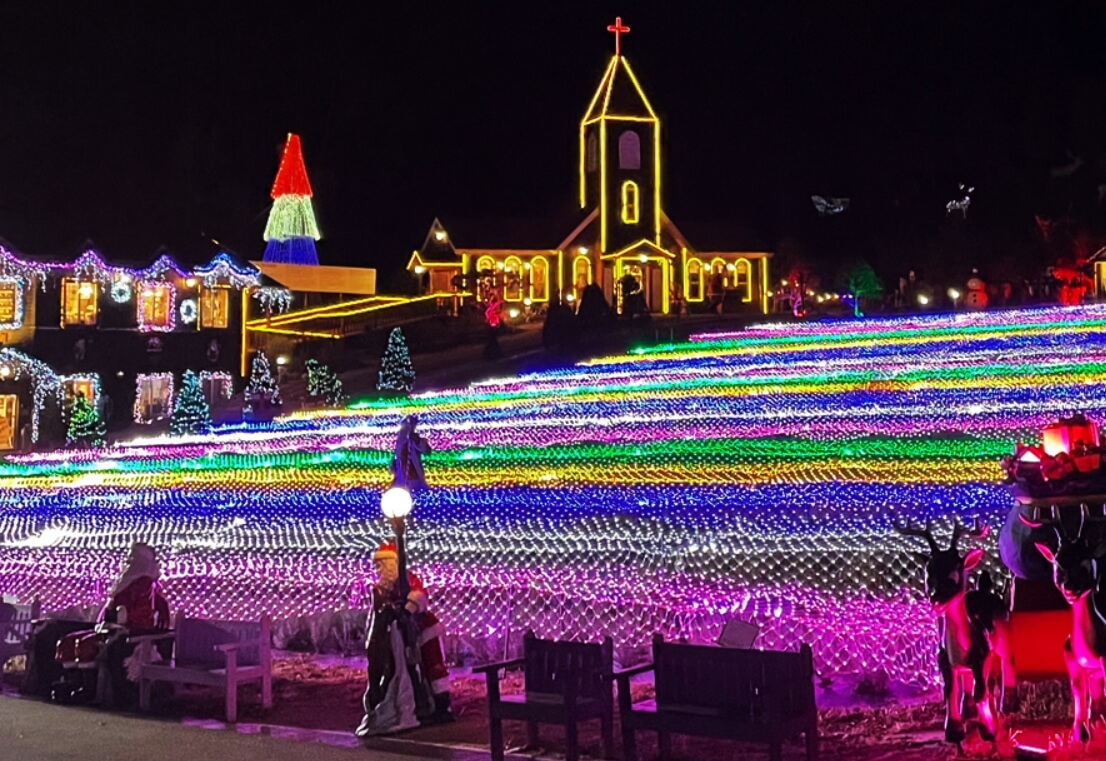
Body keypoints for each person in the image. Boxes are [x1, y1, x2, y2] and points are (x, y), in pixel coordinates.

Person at [50, 542, 169, 705]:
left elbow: (143, 615)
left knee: (85, 645)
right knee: (68, 641)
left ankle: (89, 689)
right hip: (109, 628)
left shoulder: (144, 583)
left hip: (129, 631)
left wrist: (121, 616)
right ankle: (76, 682)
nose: (129, 561)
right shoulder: (125, 581)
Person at [357, 542, 452, 736]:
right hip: (399, 633)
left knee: (432, 665)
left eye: (383, 564)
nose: (379, 569)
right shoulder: (381, 587)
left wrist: (407, 610)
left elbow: (419, 596)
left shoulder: (406, 579)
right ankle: (421, 702)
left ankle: (442, 704)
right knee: (409, 667)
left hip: (423, 629)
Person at [390, 414, 430, 492]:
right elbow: (396, 456)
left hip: (413, 476)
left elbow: (425, 450)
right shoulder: (400, 442)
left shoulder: (415, 440)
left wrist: (416, 440)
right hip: (401, 475)